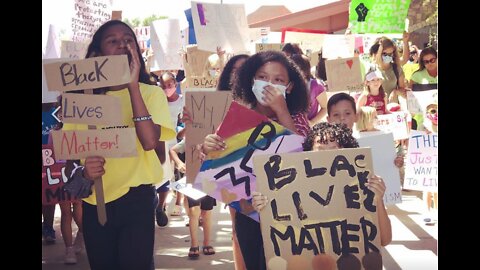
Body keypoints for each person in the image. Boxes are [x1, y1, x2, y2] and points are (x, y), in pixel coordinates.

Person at [62, 20, 176, 269]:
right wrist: (83, 172)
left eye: (128, 39)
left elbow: (149, 143)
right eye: (112, 41)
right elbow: (69, 156)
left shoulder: (151, 94)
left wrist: (133, 86)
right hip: (96, 202)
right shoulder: (81, 101)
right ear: (98, 53)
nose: (122, 45)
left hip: (137, 200)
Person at [200, 50, 310, 270]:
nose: (269, 84)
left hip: (289, 212)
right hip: (249, 213)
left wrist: (282, 111)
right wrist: (209, 147)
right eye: (262, 77)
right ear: (251, 81)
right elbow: (218, 168)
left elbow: (300, 159)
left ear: (288, 87)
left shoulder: (298, 117)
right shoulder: (237, 118)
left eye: (278, 80)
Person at [252, 122, 393, 247]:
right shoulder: (292, 190)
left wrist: (378, 200)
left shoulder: (364, 186)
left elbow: (384, 240)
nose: (326, 157)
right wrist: (265, 208)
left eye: (334, 150)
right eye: (320, 150)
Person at [169, 138, 217, 259]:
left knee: (207, 212)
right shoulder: (189, 139)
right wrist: (179, 163)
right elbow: (173, 150)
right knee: (194, 211)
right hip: (192, 179)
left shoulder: (215, 137)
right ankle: (194, 244)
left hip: (210, 178)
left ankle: (207, 242)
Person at [154, 71, 186, 227]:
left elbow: (184, 121)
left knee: (179, 174)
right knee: (162, 176)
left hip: (175, 142)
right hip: (159, 143)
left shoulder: (182, 102)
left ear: (175, 84)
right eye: (163, 85)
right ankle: (160, 205)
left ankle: (179, 203)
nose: (167, 88)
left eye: (170, 85)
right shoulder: (157, 102)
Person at [290, 53, 328, 126]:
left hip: (308, 129)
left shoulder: (316, 86)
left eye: (299, 69)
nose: (295, 73)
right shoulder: (287, 85)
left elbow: (325, 107)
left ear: (306, 70)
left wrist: (312, 122)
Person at [369, 37, 407, 102]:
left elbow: (403, 90)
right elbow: (366, 91)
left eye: (390, 54)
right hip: (377, 107)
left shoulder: (397, 69)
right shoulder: (371, 70)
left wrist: (396, 92)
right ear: (377, 53)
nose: (388, 56)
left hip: (393, 108)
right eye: (384, 53)